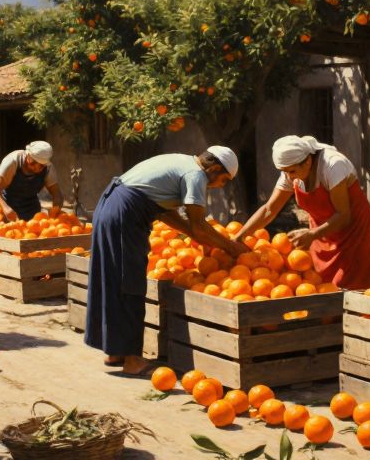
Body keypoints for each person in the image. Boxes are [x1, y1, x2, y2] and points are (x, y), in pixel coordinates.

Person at [86, 147, 251, 376]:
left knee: (114, 277)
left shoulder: (181, 161)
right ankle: (132, 360)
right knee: (130, 282)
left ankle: (115, 351)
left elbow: (164, 213)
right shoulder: (195, 175)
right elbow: (199, 224)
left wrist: (198, 236)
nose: (221, 185)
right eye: (223, 179)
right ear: (213, 169)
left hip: (111, 207)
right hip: (125, 215)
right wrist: (232, 248)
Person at [232, 135, 370, 291]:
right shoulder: (292, 170)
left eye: (291, 171)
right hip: (320, 231)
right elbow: (269, 209)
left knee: (354, 286)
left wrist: (313, 234)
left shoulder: (333, 166)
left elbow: (344, 215)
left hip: (352, 230)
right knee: (320, 285)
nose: (288, 176)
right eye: (284, 172)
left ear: (308, 162)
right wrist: (240, 236)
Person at [0, 140, 64, 221]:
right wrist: (5, 208)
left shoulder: (48, 169)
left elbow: (57, 195)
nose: (36, 168)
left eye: (41, 166)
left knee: (31, 232)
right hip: (8, 207)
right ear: (27, 154)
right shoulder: (13, 162)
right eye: (32, 163)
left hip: (32, 211)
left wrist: (55, 213)